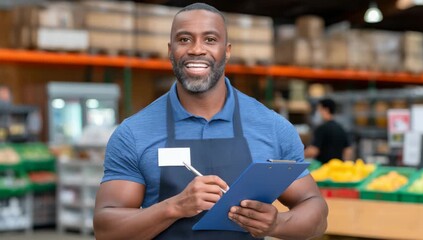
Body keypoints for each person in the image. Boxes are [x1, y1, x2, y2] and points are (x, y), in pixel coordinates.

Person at [93, 3, 328, 239]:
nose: (197, 49)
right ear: (169, 49)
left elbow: (316, 213)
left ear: (226, 51)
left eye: (210, 39)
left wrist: (278, 223)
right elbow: (106, 229)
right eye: (184, 39)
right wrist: (173, 207)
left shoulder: (272, 128)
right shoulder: (134, 133)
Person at [304, 98, 353, 164]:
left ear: (326, 110)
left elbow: (314, 151)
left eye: (319, 109)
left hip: (324, 168)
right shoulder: (341, 128)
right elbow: (348, 150)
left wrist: (299, 156)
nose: (318, 113)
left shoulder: (322, 128)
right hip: (337, 168)